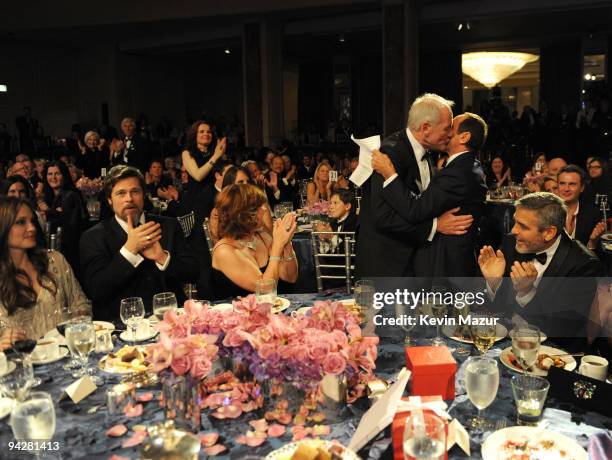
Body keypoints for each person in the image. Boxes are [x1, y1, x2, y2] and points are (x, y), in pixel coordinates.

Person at [356, 93, 473, 278]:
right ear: (426, 128)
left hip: (414, 263)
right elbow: (384, 217)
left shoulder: (430, 150)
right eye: (447, 128)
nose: (451, 134)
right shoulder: (389, 154)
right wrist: (435, 226)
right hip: (387, 266)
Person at [478, 192, 603, 351]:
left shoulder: (584, 264)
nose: (514, 230)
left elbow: (563, 330)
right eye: (516, 222)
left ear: (549, 232)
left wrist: (526, 292)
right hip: (507, 342)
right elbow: (499, 308)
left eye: (522, 226)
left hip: (554, 353)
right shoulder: (513, 243)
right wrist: (494, 283)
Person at [372, 112, 488, 277]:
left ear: (464, 137)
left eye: (451, 128)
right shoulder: (467, 167)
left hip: (447, 266)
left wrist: (389, 173)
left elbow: (415, 210)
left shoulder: (459, 173)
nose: (446, 133)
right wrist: (436, 224)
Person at [79, 165, 198, 320]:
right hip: (122, 326)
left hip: (172, 319)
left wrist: (162, 257)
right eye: (121, 193)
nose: (129, 198)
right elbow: (97, 290)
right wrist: (129, 251)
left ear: (144, 195)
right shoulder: (93, 237)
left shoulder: (169, 226)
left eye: (135, 191)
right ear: (110, 200)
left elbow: (193, 273)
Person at [0, 197, 89, 348]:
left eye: (32, 221)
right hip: (20, 365)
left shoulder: (54, 261)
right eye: (21, 222)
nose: (32, 228)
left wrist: (79, 320)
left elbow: (81, 305)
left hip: (65, 358)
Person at [211, 184, 297, 300]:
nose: (265, 209)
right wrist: (278, 245)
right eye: (259, 206)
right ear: (243, 214)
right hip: (238, 314)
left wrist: (286, 243)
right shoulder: (224, 251)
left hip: (272, 309)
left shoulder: (261, 235)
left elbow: (290, 277)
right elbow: (265, 289)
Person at [41, 160, 88, 272]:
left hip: (69, 252)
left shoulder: (71, 195)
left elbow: (72, 225)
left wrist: (49, 212)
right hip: (53, 249)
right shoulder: (48, 197)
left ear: (64, 175)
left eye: (57, 173)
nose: (53, 177)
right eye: (50, 174)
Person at [557, 165, 605, 250]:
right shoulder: (546, 212)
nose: (566, 189)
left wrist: (592, 242)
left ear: (582, 188)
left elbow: (597, 258)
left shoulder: (593, 214)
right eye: (562, 183)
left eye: (572, 184)